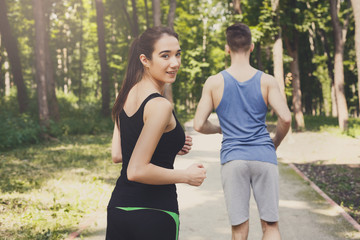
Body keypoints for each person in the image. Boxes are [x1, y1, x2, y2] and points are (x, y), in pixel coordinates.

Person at [107, 26, 207, 240]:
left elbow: (119, 154)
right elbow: (136, 170)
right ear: (145, 59)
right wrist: (186, 176)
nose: (175, 63)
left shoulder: (124, 94)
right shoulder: (160, 105)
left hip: (119, 209)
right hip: (155, 213)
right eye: (165, 56)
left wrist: (165, 145)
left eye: (177, 54)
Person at [193, 22, 291, 240]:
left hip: (233, 158)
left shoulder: (214, 82)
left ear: (227, 48)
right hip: (264, 156)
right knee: (271, 225)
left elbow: (199, 124)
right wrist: (274, 142)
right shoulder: (267, 81)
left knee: (239, 229)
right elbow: (285, 117)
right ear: (252, 47)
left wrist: (221, 129)